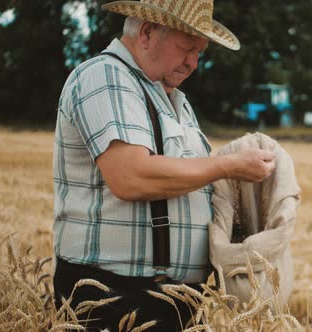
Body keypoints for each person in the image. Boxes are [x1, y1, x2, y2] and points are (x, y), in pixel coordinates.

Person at [51, 0, 276, 330]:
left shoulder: (172, 99)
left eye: (199, 52)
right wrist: (227, 166)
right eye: (186, 48)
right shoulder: (106, 76)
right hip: (114, 296)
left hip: (168, 299)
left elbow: (185, 179)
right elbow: (131, 176)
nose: (193, 63)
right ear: (146, 33)